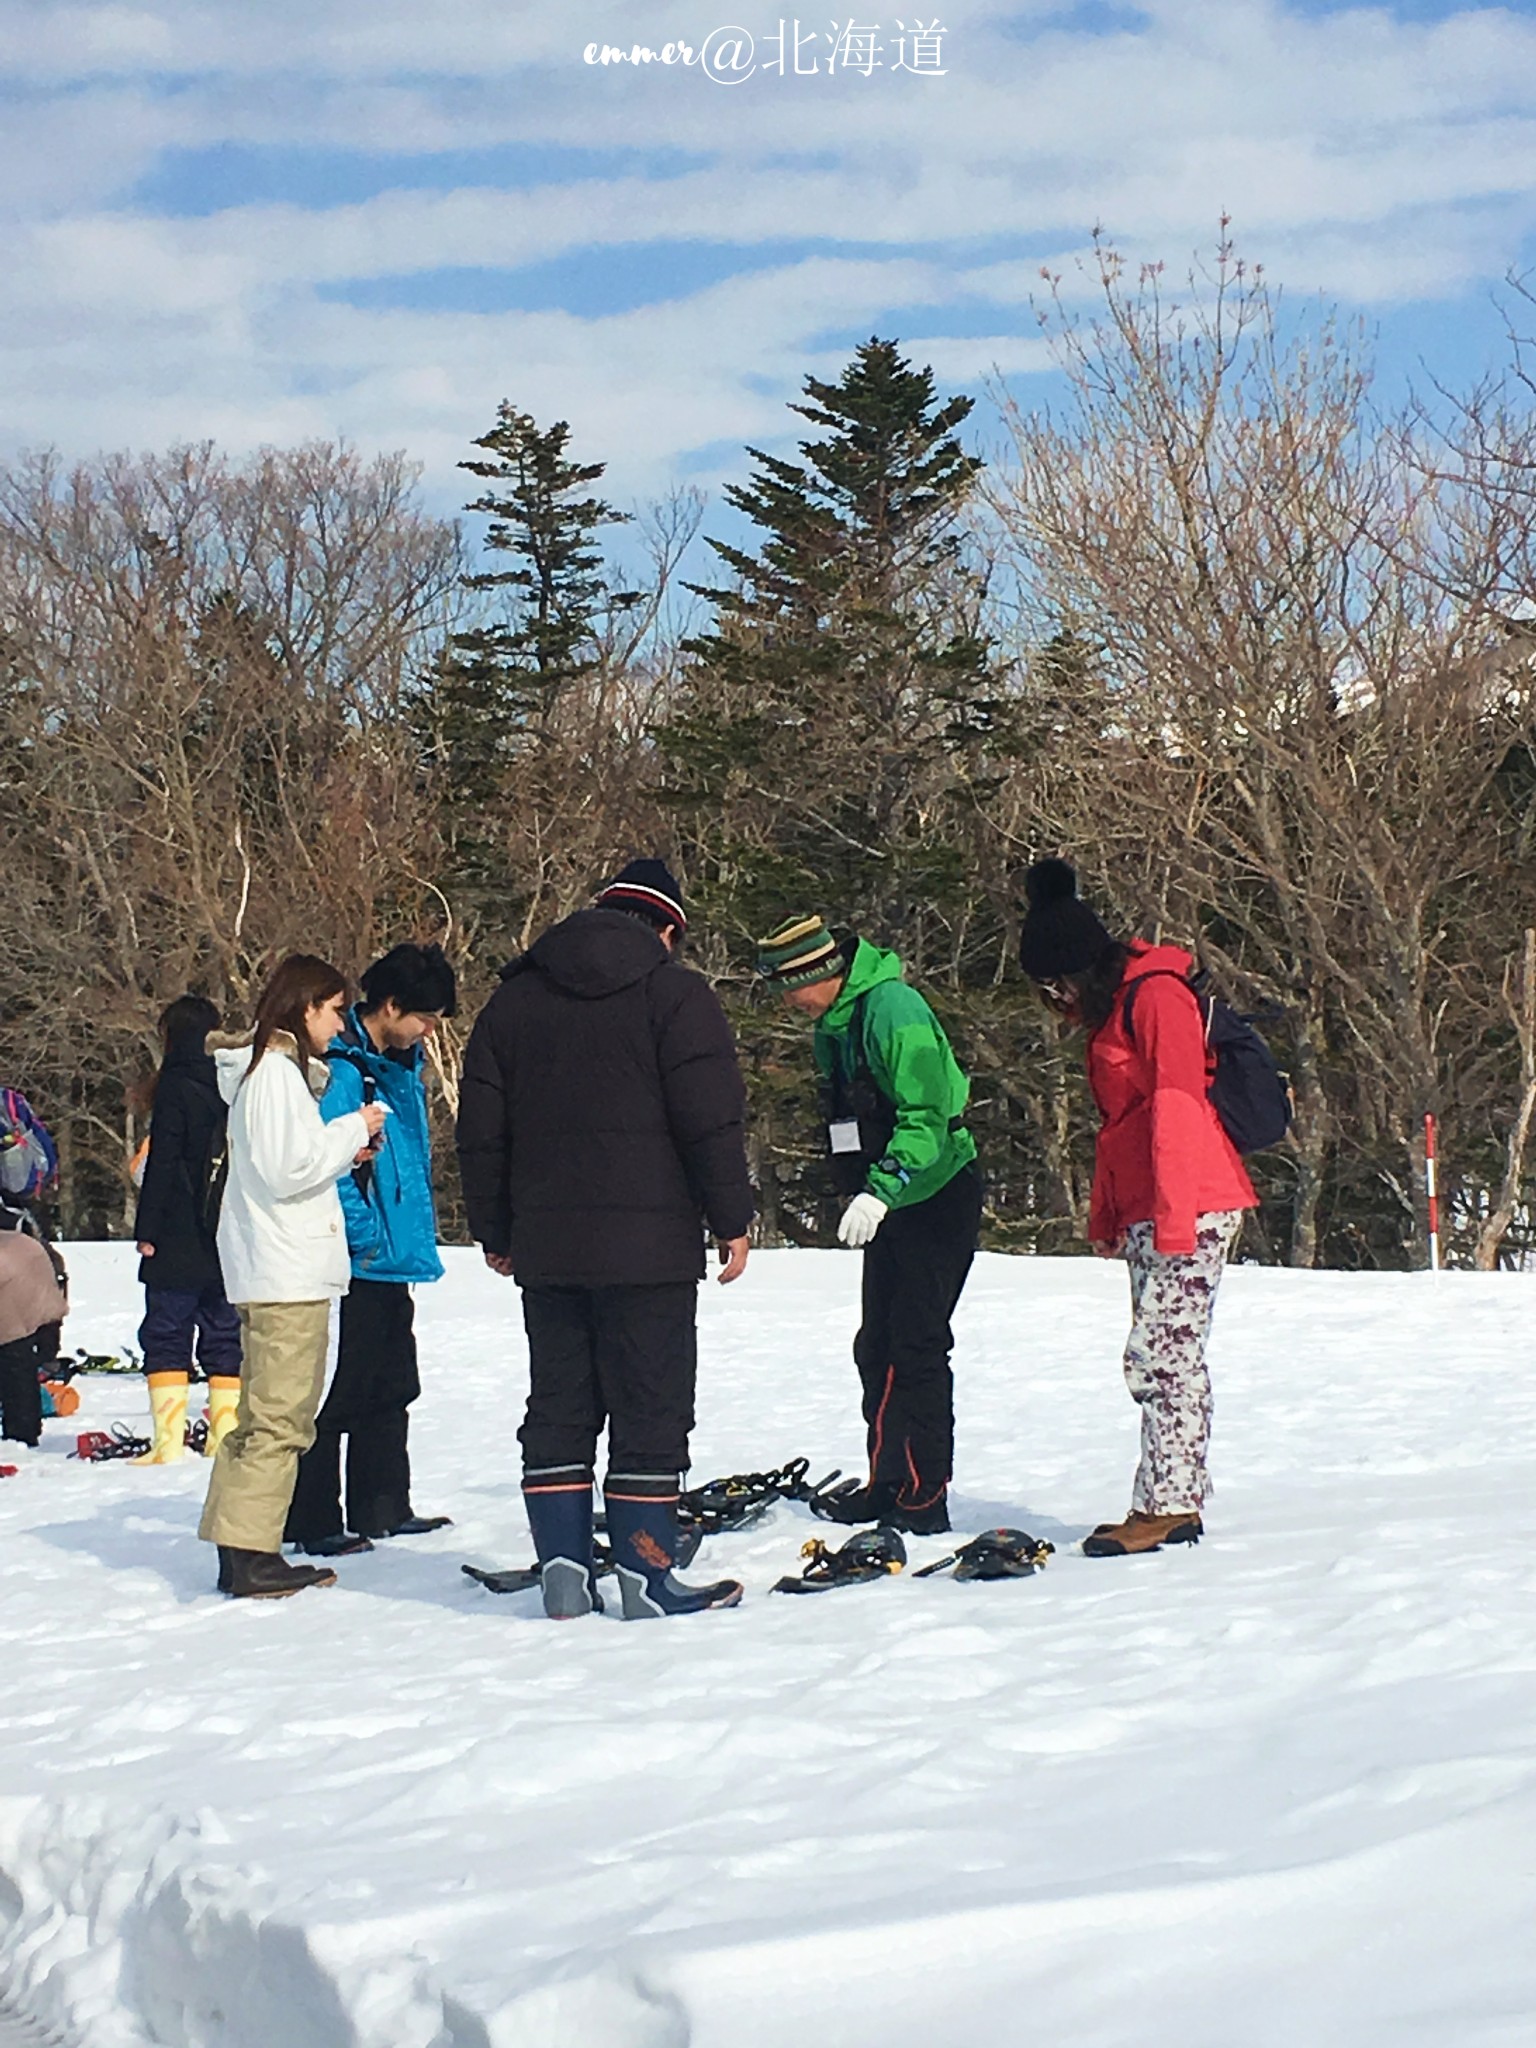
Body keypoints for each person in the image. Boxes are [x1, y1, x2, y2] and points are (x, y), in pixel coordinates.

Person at [456, 858, 753, 1621]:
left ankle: (562, 1565)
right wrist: (731, 1217)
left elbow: (481, 1133)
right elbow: (709, 1118)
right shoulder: (676, 995)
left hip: (547, 1245)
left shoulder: (514, 1001)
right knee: (650, 1404)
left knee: (559, 1400)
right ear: (664, 929)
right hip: (650, 1249)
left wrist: (493, 1228)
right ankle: (647, 1577)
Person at [1017, 859, 1257, 1556]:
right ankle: (1161, 1498)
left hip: (1194, 1203)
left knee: (1163, 1356)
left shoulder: (1155, 999)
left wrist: (1176, 1219)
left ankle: (1172, 1504)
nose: (1055, 1000)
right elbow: (1120, 1127)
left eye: (1057, 985)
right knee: (1161, 1354)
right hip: (1153, 1205)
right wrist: (1110, 1215)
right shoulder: (1110, 1010)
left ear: (1083, 969)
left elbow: (1177, 1111)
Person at [756, 914, 981, 1537]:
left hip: (934, 1193)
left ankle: (924, 1494)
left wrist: (881, 1191)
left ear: (817, 974)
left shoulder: (892, 1009)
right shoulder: (835, 1028)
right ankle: (886, 1481)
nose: (785, 1001)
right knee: (875, 1345)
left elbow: (927, 1115)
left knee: (917, 1343)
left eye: (787, 986)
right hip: (887, 1201)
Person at [198, 954, 387, 1600]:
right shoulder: (275, 1075)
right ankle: (252, 1553)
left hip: (274, 1270)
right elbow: (288, 1169)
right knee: (280, 1420)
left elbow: (285, 1165)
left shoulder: (267, 1075)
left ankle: (241, 1546)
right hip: (286, 1276)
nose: (340, 1025)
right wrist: (350, 1130)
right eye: (335, 1011)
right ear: (305, 1007)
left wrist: (339, 1148)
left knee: (263, 1417)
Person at [285, 943, 457, 1557]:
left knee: (392, 1382)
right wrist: (365, 1238)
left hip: (393, 1258)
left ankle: (383, 1504)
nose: (429, 1030)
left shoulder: (400, 1066)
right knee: (340, 1388)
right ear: (390, 1005)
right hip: (357, 1258)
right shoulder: (344, 1070)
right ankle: (313, 1518)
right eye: (426, 1017)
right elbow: (332, 1167)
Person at [132, 995, 242, 1464]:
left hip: (176, 1229)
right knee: (223, 1332)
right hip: (227, 1228)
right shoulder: (233, 1083)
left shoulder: (175, 1084)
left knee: (167, 1332)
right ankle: (223, 1435)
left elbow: (164, 1161)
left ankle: (168, 1443)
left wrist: (147, 1227)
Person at [0, 1226, 67, 1450]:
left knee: (14, 1363)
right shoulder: (28, 1243)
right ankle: (24, 1431)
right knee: (18, 1367)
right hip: (37, 1300)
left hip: (16, 1303)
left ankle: (21, 1433)